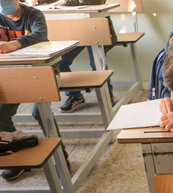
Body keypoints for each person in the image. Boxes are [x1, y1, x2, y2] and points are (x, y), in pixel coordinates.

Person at [0, 0, 69, 181]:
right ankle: (16, 155)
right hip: (11, 75)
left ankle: (61, 156)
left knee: (39, 111)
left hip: (41, 72)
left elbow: (40, 35)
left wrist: (14, 44)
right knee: (1, 112)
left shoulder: (33, 15)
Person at [27, 0, 116, 113]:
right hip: (73, 28)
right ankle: (75, 96)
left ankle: (108, 96)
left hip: (94, 26)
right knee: (60, 62)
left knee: (96, 62)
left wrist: (68, 2)